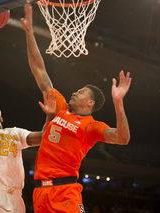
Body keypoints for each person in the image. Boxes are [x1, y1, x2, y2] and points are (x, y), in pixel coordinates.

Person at [21, 4, 132, 213]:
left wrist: (118, 102)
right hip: (39, 192)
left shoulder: (91, 127)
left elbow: (122, 139)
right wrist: (29, 33)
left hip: (65, 191)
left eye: (81, 92)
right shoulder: (60, 105)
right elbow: (38, 69)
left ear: (90, 103)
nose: (74, 93)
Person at [0, 27, 56, 213]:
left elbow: (44, 137)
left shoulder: (15, 133)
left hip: (17, 199)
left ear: (1, 116)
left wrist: (50, 114)